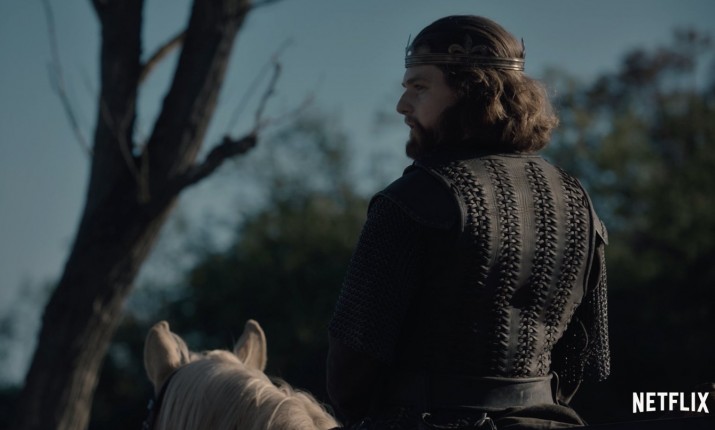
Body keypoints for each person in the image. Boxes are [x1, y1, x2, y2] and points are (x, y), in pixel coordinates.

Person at [326, 15, 610, 430]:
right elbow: (580, 360)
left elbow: (353, 364)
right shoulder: (576, 198)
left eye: (419, 87)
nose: (402, 105)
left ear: (471, 90)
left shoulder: (413, 199)